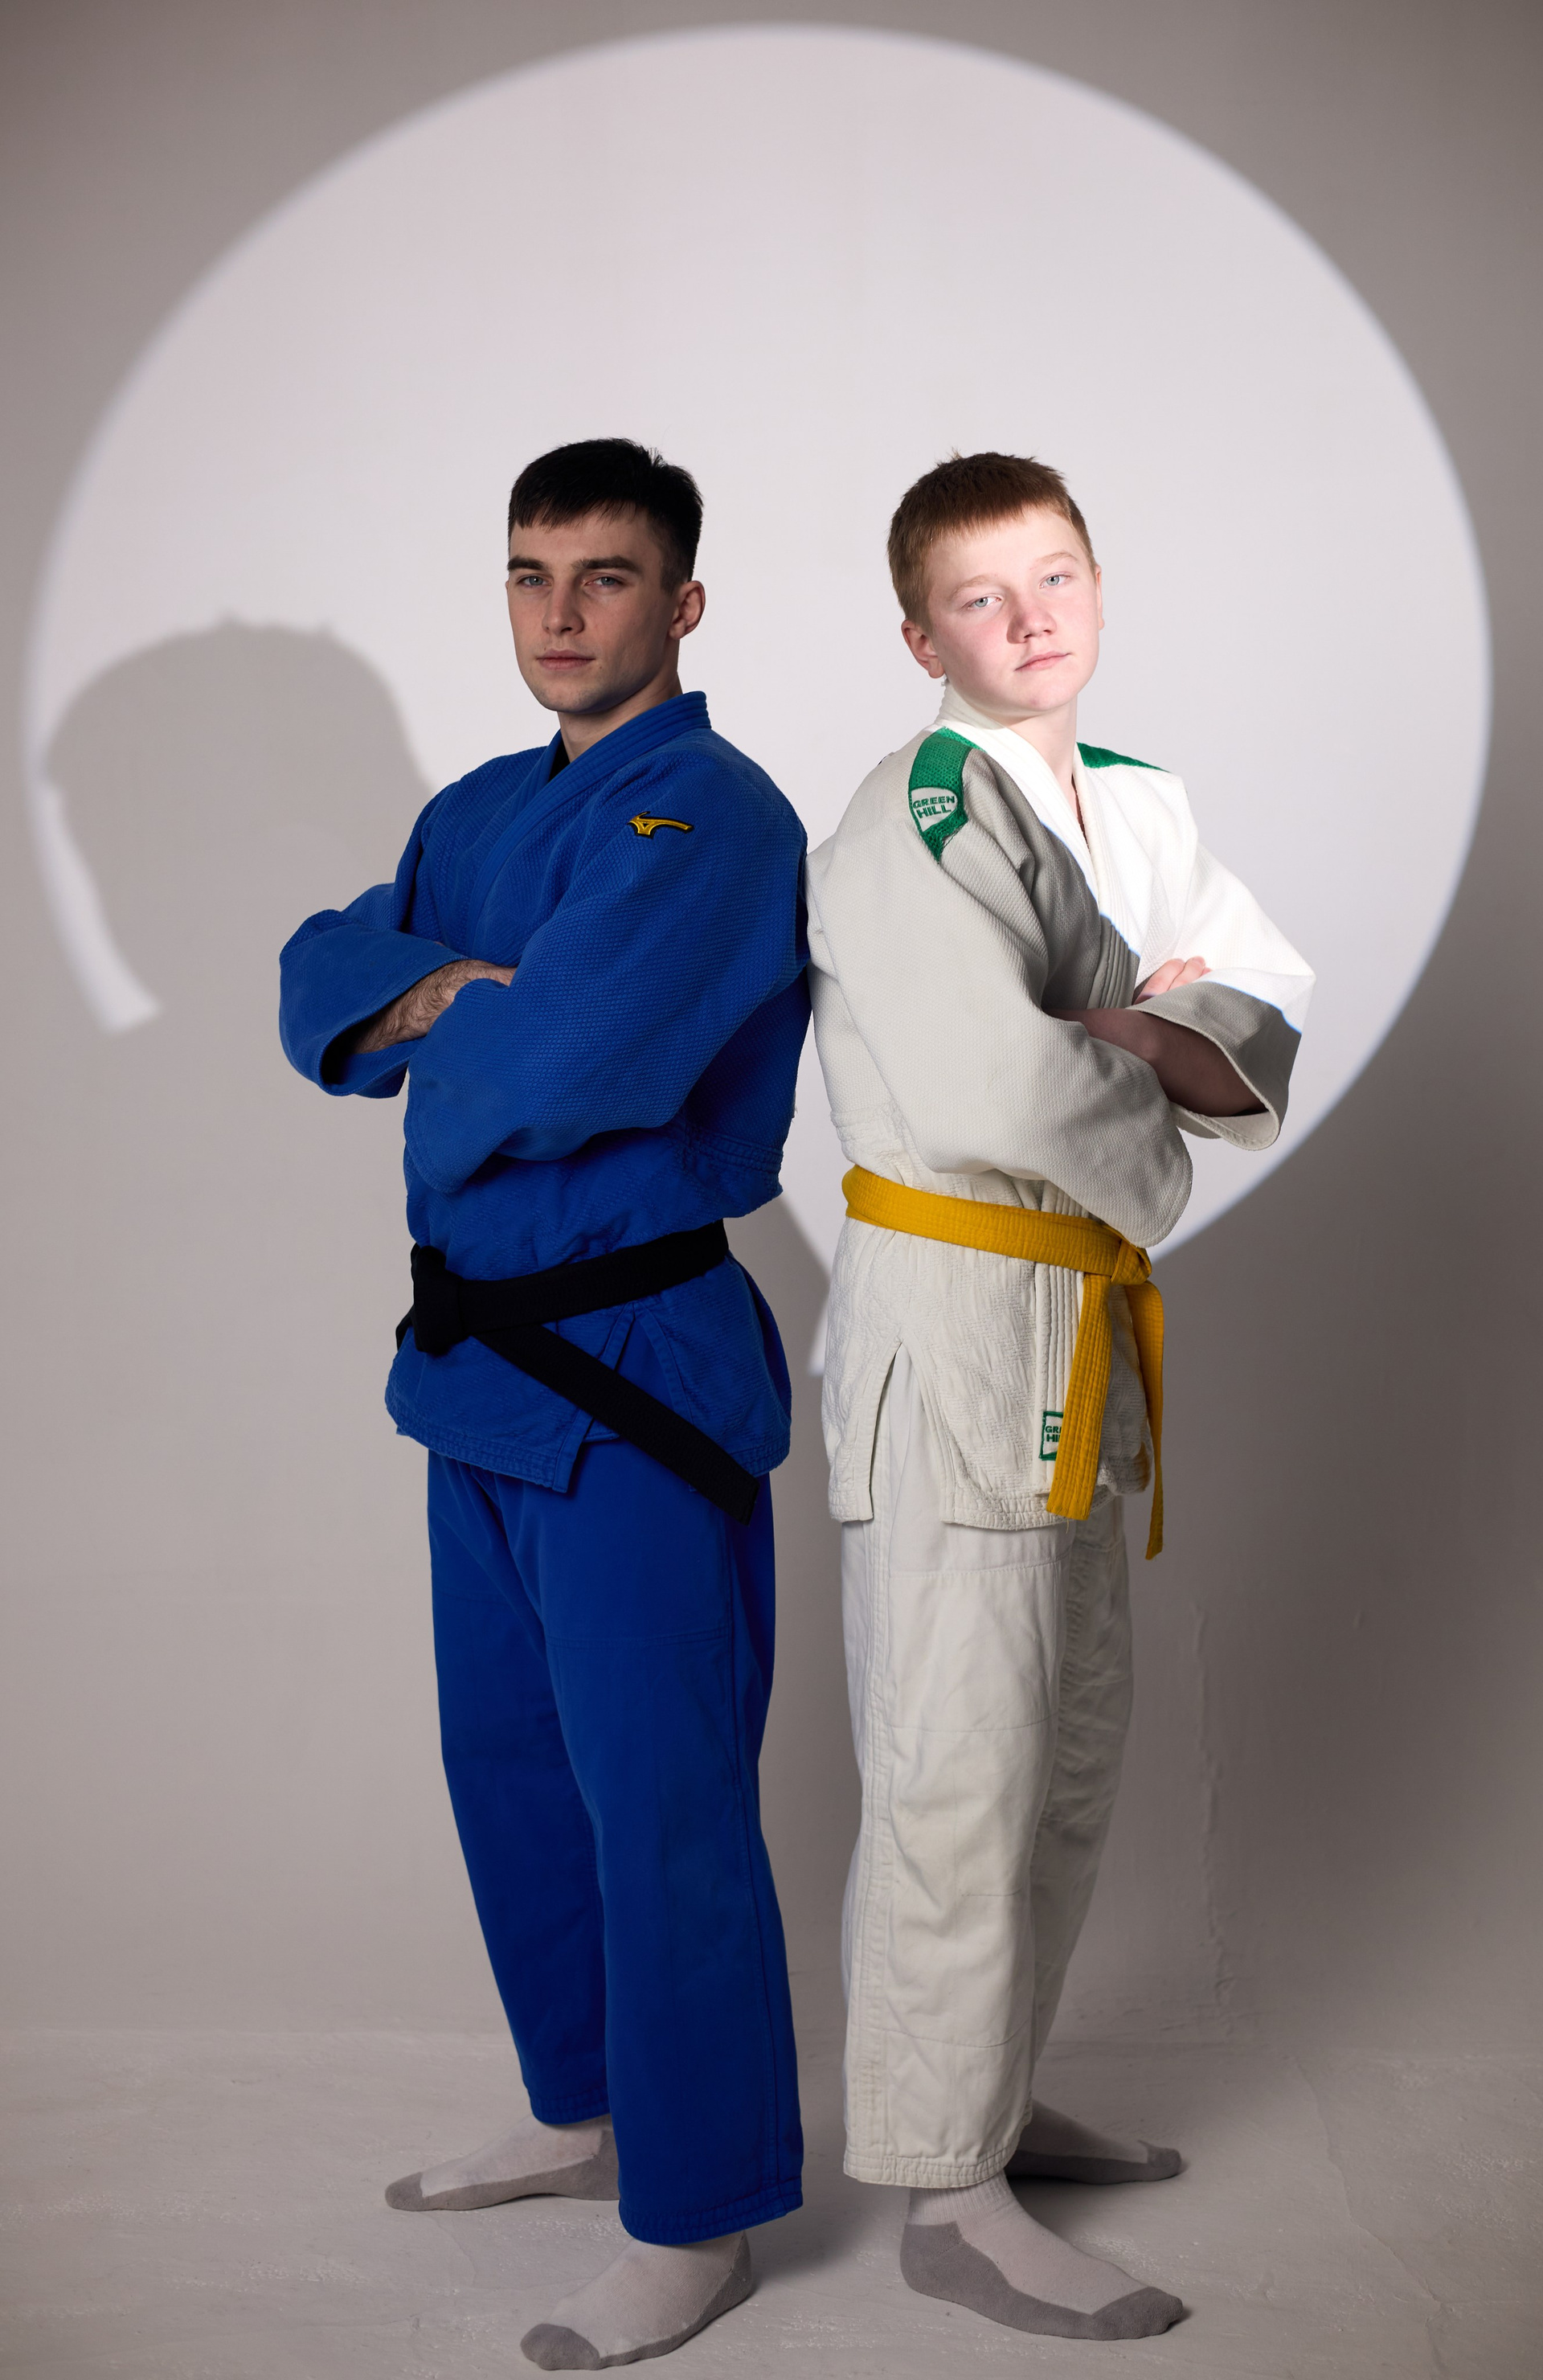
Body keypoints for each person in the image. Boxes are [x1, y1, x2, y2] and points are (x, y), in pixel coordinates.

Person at [280, 439, 808, 2370]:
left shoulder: (715, 815)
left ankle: (699, 2209)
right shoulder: (477, 807)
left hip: (634, 1369)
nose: (562, 612)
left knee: (664, 1802)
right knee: (506, 1768)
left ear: (685, 601)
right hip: (474, 1377)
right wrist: (444, 989)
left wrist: (445, 1011)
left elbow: (573, 1058)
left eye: (606, 575)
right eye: (531, 574)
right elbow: (314, 977)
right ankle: (579, 2105)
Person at [804, 451, 1313, 2341]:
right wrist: (1146, 1053)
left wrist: (1150, 1025)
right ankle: (946, 2190)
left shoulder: (1134, 798)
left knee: (1068, 1748)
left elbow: (1258, 1011)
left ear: (1099, 584)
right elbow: (997, 1088)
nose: (1028, 620)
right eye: (979, 596)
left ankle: (992, 2102)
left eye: (1056, 578)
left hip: (1072, 1316)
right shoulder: (915, 813)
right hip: (959, 1318)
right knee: (958, 1766)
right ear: (919, 635)